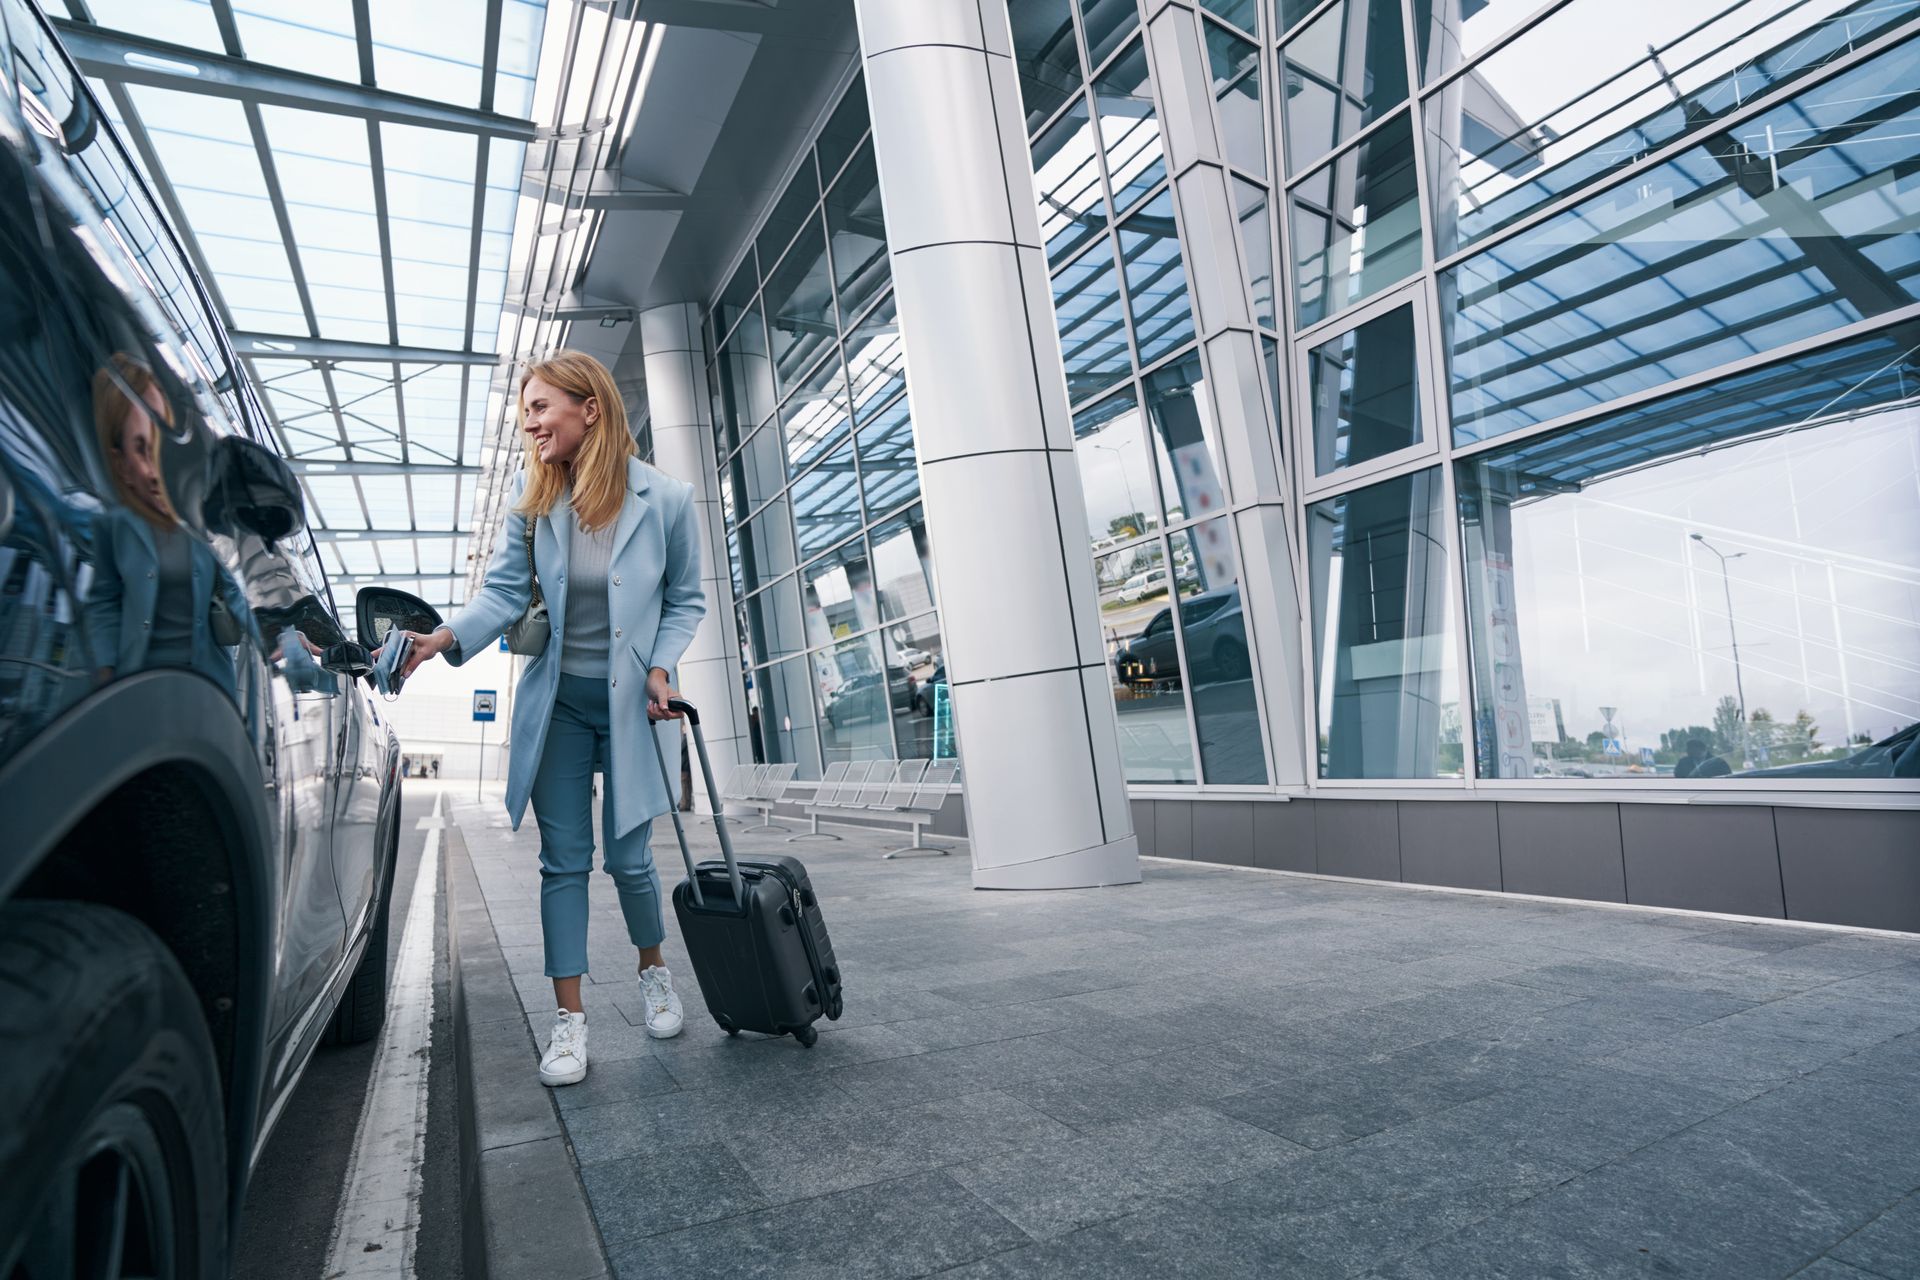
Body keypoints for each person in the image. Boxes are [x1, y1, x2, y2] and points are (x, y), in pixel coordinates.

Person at [383, 350, 706, 1087]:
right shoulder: (532, 510)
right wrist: (442, 640)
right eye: (525, 411)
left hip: (634, 705)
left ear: (588, 409)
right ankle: (570, 1022)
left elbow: (686, 597)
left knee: (629, 860)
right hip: (558, 706)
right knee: (564, 862)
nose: (528, 423)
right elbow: (501, 596)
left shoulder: (667, 499)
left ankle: (654, 972)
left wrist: (659, 666)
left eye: (539, 407)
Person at [84, 354, 251, 702]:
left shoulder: (204, 521)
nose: (158, 465)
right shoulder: (114, 526)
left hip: (205, 693)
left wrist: (279, 634)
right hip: (136, 690)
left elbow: (238, 593)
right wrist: (106, 671)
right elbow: (104, 600)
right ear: (121, 464)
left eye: (161, 441)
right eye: (142, 449)